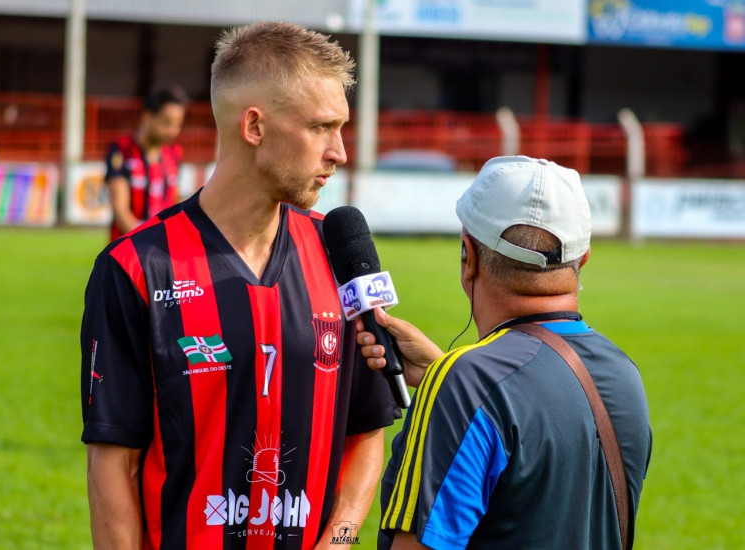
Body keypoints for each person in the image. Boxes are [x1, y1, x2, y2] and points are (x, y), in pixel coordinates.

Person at [80, 21, 398, 550]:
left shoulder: (339, 256)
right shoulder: (134, 269)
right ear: (254, 126)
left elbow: (367, 430)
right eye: (322, 127)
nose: (339, 151)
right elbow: (115, 463)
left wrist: (338, 541)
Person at [357, 156, 652, 549]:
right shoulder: (624, 373)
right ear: (582, 259)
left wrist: (450, 383)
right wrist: (441, 374)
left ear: (469, 255)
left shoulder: (466, 385)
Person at [104, 85, 187, 241]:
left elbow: (175, 197)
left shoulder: (174, 153)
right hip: (128, 251)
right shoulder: (121, 150)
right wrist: (149, 244)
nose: (173, 130)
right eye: (167, 122)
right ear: (147, 116)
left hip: (163, 251)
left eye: (178, 124)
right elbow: (120, 209)